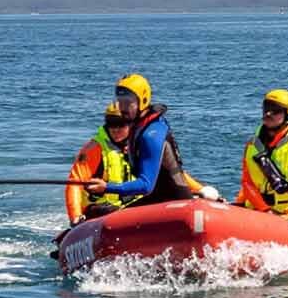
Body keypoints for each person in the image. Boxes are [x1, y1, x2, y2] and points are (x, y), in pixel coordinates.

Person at [84, 73, 218, 207]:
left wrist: (107, 187)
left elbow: (146, 185)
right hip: (158, 200)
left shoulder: (151, 134)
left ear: (143, 100)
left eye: (128, 103)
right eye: (120, 102)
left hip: (174, 203)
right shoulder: (139, 127)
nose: (122, 108)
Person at [236, 89, 288, 225]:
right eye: (266, 108)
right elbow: (247, 182)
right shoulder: (252, 144)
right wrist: (265, 210)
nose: (268, 113)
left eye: (275, 110)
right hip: (259, 211)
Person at [65, 102, 134, 225]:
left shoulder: (140, 145)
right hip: (100, 209)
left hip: (133, 207)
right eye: (112, 124)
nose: (116, 129)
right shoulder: (92, 149)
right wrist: (75, 216)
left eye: (121, 124)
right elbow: (74, 184)